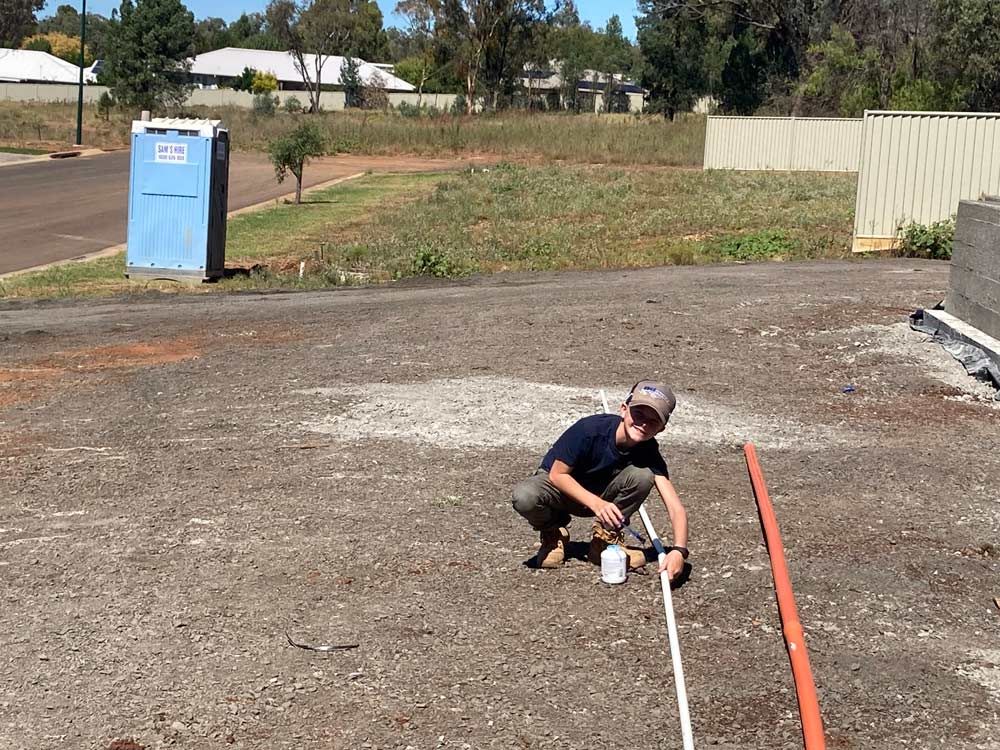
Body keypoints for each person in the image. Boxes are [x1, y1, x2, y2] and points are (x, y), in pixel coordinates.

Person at [511, 381, 689, 579]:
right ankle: (553, 532)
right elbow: (557, 475)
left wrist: (679, 551)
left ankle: (603, 540)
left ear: (662, 428)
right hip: (560, 490)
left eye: (653, 420)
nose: (643, 423)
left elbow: (675, 507)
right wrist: (598, 504)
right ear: (624, 409)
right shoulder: (590, 430)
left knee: (643, 475)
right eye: (638, 413)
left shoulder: (649, 451)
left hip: (600, 497)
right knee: (524, 496)